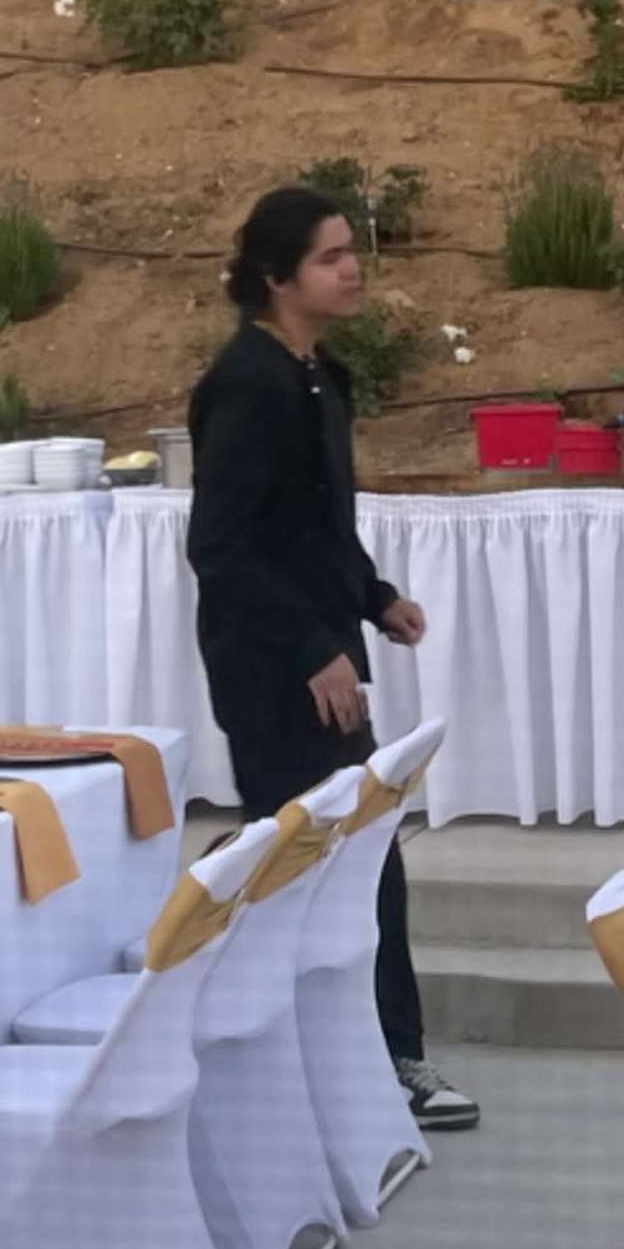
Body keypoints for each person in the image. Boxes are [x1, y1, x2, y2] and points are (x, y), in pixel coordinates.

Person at [185, 184, 477, 1130]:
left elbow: (315, 528)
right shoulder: (247, 383)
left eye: (352, 251)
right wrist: (312, 646)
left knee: (359, 857)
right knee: (319, 863)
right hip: (275, 666)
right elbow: (222, 548)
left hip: (323, 652)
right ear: (276, 277)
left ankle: (368, 1055)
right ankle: (365, 1062)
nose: (351, 269)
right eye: (328, 257)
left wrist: (374, 598)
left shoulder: (318, 376)